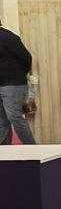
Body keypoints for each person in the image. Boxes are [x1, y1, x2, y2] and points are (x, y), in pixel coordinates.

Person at [0, 17, 35, 145]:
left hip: (12, 84)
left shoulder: (8, 37)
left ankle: (32, 148)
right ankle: (4, 151)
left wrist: (19, 74)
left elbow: (26, 57)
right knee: (1, 121)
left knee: (14, 117)